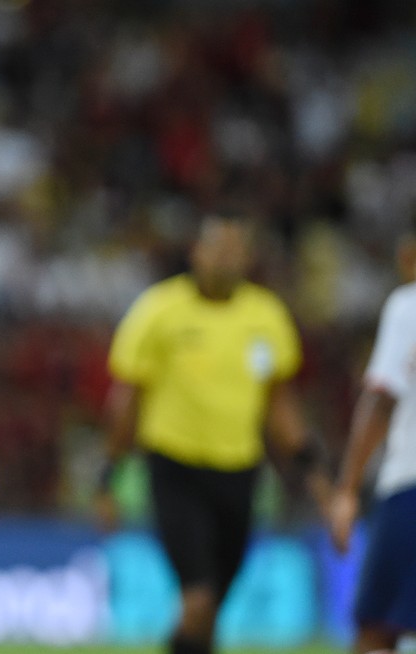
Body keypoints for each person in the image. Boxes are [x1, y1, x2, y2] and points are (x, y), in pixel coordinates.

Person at [100, 212, 329, 654]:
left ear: (247, 257)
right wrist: (109, 475)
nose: (226, 258)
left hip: (240, 474)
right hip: (175, 469)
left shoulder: (267, 316)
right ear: (196, 252)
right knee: (199, 599)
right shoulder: (159, 311)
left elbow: (280, 407)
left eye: (235, 249)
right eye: (217, 248)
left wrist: (313, 471)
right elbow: (126, 402)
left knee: (213, 607)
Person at [328, 223, 416, 654]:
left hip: (410, 489)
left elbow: (381, 402)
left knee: (376, 633)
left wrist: (346, 490)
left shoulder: (409, 306)